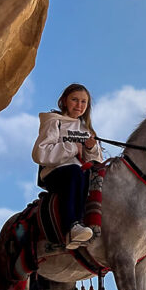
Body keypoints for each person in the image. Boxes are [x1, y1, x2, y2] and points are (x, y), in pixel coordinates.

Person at [32, 83, 104, 249]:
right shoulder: (54, 122)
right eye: (74, 100)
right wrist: (72, 147)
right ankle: (71, 226)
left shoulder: (86, 130)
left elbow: (96, 162)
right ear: (64, 101)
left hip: (79, 174)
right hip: (56, 173)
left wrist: (90, 148)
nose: (79, 105)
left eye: (83, 102)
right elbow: (40, 153)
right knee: (75, 172)